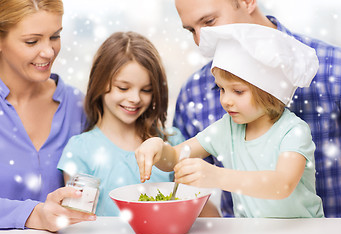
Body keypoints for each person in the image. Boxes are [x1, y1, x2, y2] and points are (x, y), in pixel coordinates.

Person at [136, 23, 324, 218]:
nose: (225, 100)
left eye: (238, 91)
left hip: (304, 232)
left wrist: (217, 176)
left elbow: (282, 184)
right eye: (221, 89)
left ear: (269, 91)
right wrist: (157, 148)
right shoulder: (227, 129)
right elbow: (175, 158)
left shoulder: (293, 132)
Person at [172, 0, 341, 217]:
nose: (200, 41)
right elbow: (183, 177)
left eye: (209, 21)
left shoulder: (334, 70)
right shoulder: (194, 92)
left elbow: (282, 183)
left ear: (247, 2)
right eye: (190, 30)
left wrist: (217, 176)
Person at [57, 31, 187, 216]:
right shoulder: (80, 150)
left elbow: (190, 207)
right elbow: (78, 221)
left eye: (146, 90)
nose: (135, 98)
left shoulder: (171, 141)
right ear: (100, 82)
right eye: (123, 88)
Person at [0, 0, 96, 232]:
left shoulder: (78, 106)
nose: (49, 51)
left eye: (55, 36)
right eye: (32, 41)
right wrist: (32, 214)